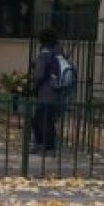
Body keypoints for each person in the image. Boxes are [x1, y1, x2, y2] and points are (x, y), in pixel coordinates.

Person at [31, 28, 66, 156]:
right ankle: (45, 146)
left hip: (46, 91)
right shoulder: (58, 51)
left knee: (39, 120)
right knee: (47, 120)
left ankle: (45, 146)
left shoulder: (45, 53)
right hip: (58, 90)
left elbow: (39, 74)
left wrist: (34, 83)